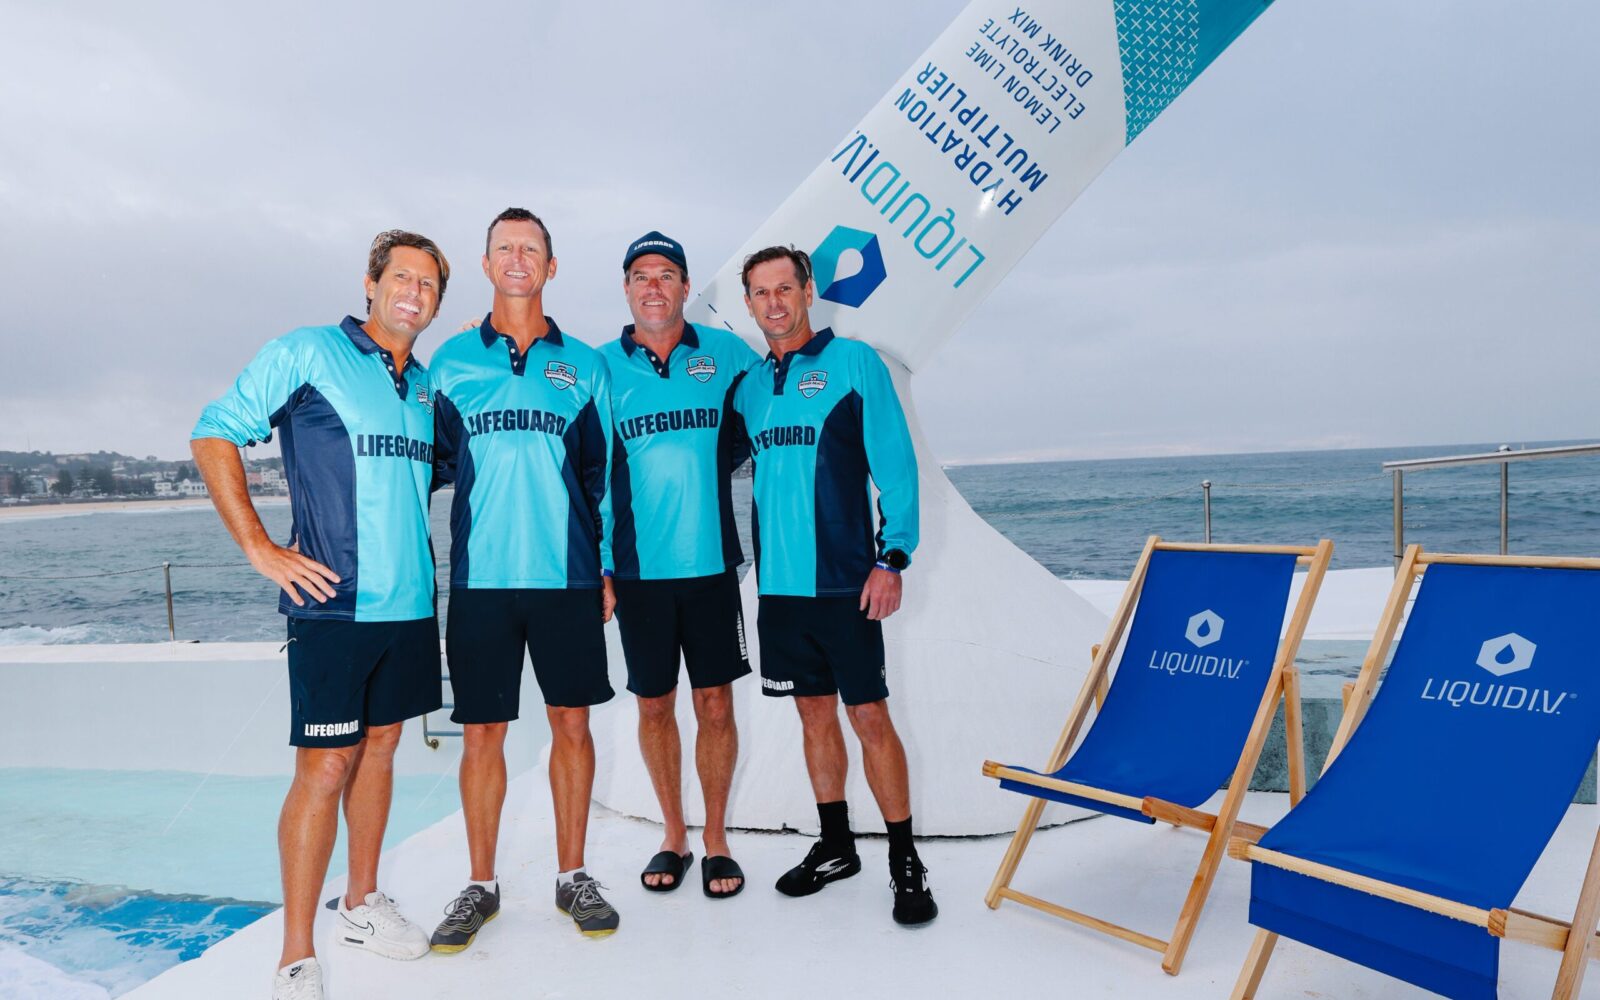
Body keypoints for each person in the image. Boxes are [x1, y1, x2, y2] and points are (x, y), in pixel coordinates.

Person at [191, 230, 450, 999]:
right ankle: (296, 954)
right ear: (370, 284)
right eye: (401, 276)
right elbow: (214, 432)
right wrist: (260, 547)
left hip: (408, 610)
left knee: (381, 751)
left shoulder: (427, 384)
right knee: (324, 767)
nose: (414, 291)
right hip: (331, 605)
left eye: (429, 284)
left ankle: (363, 904)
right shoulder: (308, 352)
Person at [427, 208, 618, 950]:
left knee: (573, 725)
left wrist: (604, 569)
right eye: (504, 247)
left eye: (531, 248)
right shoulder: (449, 363)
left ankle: (574, 875)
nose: (518, 258)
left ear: (551, 266)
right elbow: (426, 471)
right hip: (480, 582)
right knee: (483, 734)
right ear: (485, 264)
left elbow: (604, 480)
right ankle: (480, 886)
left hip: (567, 578)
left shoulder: (586, 366)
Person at [730, 245, 936, 925]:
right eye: (760, 293)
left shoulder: (854, 364)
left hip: (847, 583)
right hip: (781, 592)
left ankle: (905, 859)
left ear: (808, 290)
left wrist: (893, 557)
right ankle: (836, 844)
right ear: (750, 303)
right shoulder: (751, 387)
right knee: (813, 716)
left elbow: (897, 469)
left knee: (869, 716)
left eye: (785, 288)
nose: (774, 303)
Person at [598, 232, 761, 897]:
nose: (653, 286)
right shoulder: (600, 366)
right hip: (637, 574)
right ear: (628, 289)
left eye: (666, 274)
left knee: (716, 704)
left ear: (686, 287)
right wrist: (600, 568)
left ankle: (716, 838)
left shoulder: (726, 355)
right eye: (641, 275)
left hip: (712, 567)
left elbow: (763, 422)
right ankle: (674, 834)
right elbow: (592, 475)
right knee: (654, 705)